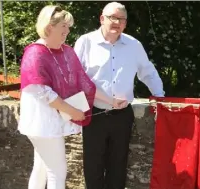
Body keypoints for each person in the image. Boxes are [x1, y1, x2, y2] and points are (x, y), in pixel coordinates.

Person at [18, 5, 125, 189]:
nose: (68, 31)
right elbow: (44, 93)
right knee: (57, 173)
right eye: (64, 27)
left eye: (68, 27)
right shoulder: (35, 53)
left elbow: (84, 84)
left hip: (51, 122)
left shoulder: (66, 51)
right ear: (49, 27)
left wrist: (111, 101)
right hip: (42, 123)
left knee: (42, 168)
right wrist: (73, 111)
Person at [73, 2, 165, 188]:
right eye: (112, 18)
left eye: (121, 19)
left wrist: (160, 97)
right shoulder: (85, 42)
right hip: (94, 114)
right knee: (93, 166)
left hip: (123, 116)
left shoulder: (134, 45)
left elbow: (148, 72)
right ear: (102, 19)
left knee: (118, 166)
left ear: (125, 23)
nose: (117, 22)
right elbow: (74, 77)